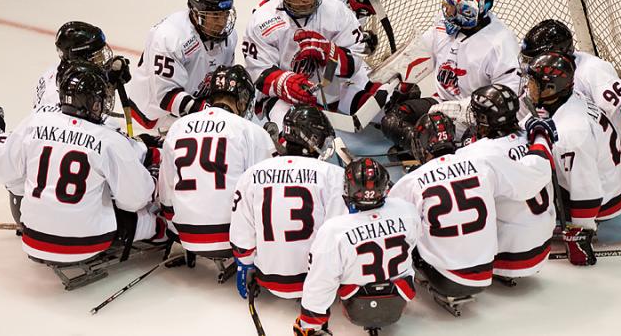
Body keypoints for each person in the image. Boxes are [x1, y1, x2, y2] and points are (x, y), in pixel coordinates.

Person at [0, 66, 160, 264]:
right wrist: (153, 180)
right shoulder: (109, 138)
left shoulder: (36, 122)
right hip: (86, 244)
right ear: (92, 104)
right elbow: (135, 200)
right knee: (145, 217)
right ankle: (162, 231)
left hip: (32, 237)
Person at [389, 111, 554, 314]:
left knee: (404, 227)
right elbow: (533, 177)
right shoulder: (483, 162)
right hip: (486, 271)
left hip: (447, 278)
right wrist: (540, 137)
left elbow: (389, 228)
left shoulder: (411, 181)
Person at [244, 0, 410, 126]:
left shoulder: (336, 11)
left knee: (389, 113)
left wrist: (330, 53)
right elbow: (258, 70)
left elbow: (354, 61)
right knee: (295, 132)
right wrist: (286, 83)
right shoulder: (263, 20)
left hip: (329, 82)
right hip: (281, 95)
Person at [523, 52, 621, 266]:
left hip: (604, 199)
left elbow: (587, 189)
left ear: (550, 89)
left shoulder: (572, 135)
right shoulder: (569, 97)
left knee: (532, 175)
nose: (528, 87)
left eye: (532, 82)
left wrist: (581, 232)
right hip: (612, 176)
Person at [381, 0, 520, 151]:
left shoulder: (501, 43)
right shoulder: (444, 22)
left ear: (467, 12)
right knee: (393, 119)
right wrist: (398, 81)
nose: (445, 10)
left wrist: (464, 109)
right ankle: (422, 149)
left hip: (476, 114)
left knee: (444, 131)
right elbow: (422, 50)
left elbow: (507, 97)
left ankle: (440, 151)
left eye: (451, 7)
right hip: (441, 101)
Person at [157, 65, 275, 260]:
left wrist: (174, 225)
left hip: (184, 235)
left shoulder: (178, 126)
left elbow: (165, 193)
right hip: (233, 239)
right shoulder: (251, 131)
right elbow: (268, 195)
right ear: (243, 98)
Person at [230, 105, 346, 300]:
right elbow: (341, 233)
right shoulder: (333, 175)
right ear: (312, 140)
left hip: (267, 277)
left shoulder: (252, 174)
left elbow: (242, 231)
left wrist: (244, 264)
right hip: (318, 283)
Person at [293, 159, 420, 336]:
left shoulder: (334, 230)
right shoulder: (408, 211)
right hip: (398, 299)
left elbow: (321, 281)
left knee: (329, 269)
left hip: (357, 305)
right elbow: (412, 245)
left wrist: (310, 324)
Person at [520, 19, 621, 163]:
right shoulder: (541, 73)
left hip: (610, 157)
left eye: (532, 59)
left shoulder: (591, 70)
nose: (528, 64)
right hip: (575, 147)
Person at [457, 84, 555, 279]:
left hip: (510, 254)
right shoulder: (532, 135)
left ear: (485, 119)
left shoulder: (476, 154)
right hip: (544, 242)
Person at [129, 0, 238, 131]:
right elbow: (166, 96)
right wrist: (207, 111)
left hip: (195, 107)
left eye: (225, 14)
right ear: (195, 14)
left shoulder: (230, 36)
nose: (222, 23)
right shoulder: (170, 37)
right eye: (215, 16)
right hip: (155, 117)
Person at [33, 21, 130, 109]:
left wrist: (109, 79)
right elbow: (93, 116)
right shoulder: (62, 94)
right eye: (96, 56)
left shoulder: (60, 75)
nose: (102, 61)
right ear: (79, 58)